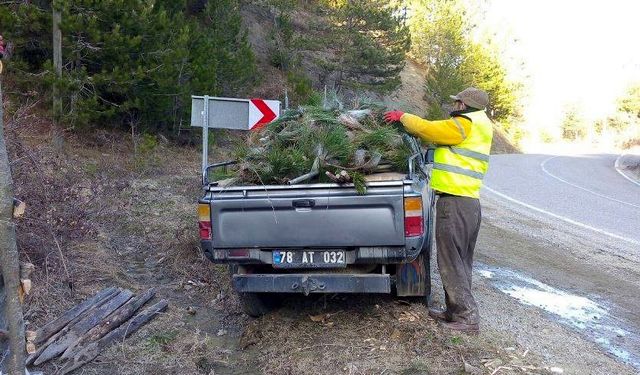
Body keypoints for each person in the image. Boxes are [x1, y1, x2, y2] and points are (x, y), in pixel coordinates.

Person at [384, 87, 493, 333]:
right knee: (460, 260)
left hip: (456, 202)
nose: (454, 105)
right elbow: (434, 138)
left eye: (457, 102)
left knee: (451, 259)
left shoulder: (465, 123)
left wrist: (404, 117)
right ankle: (454, 311)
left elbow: (431, 129)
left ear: (464, 105)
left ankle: (466, 318)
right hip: (466, 203)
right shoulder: (477, 124)